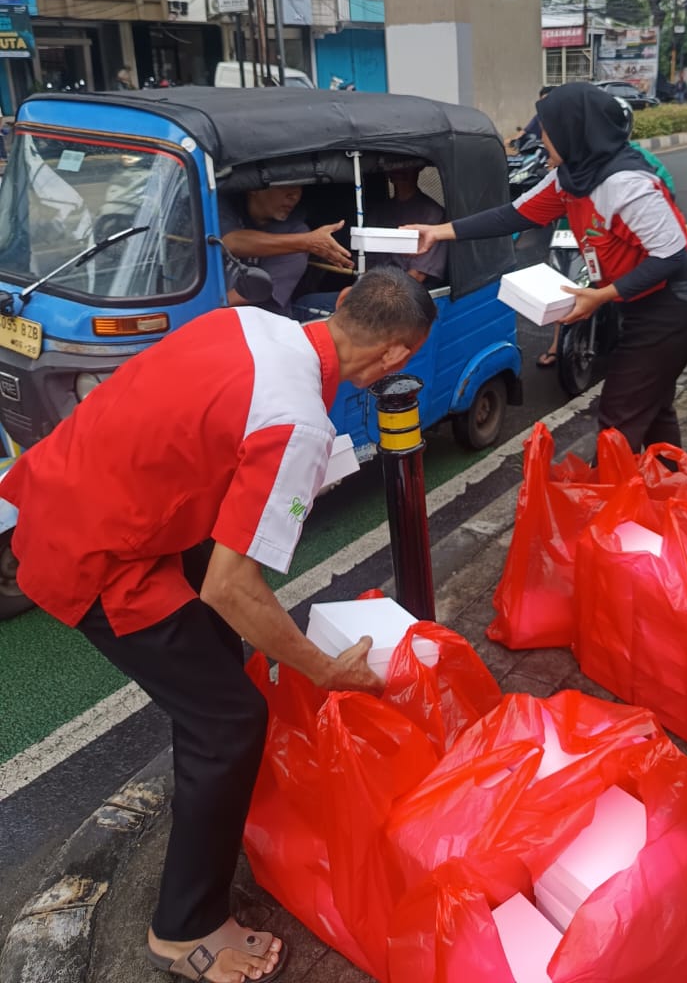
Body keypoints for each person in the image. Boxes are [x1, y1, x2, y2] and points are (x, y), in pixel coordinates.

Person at [0, 268, 436, 982]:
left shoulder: (249, 323)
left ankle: (225, 803)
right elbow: (231, 585)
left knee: (223, 681)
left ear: (343, 304)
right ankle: (183, 930)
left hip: (76, 492)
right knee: (229, 719)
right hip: (100, 555)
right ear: (396, 358)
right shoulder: (296, 419)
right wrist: (324, 669)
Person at [404, 82, 687, 452]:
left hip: (677, 304)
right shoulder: (570, 176)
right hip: (638, 299)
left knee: (619, 416)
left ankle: (613, 500)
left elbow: (670, 256)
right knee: (652, 406)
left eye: (547, 130)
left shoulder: (627, 184)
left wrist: (601, 296)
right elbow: (513, 216)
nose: (541, 138)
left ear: (574, 132)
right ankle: (666, 490)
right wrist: (438, 232)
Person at [537, 98, 676, 370]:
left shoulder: (637, 163)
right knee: (564, 284)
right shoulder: (567, 157)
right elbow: (526, 207)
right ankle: (557, 342)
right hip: (569, 235)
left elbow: (666, 200)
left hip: (608, 243)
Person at [218, 184, 354, 319]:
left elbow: (250, 293)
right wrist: (306, 242)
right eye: (283, 186)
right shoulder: (222, 208)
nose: (294, 195)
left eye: (298, 187)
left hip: (262, 323)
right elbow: (230, 241)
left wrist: (210, 308)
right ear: (254, 188)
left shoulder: (298, 232)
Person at [365, 164, 447, 287]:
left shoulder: (433, 214)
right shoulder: (378, 212)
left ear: (418, 168)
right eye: (394, 165)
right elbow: (366, 264)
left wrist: (384, 296)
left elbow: (418, 275)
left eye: (406, 165)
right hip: (373, 288)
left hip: (410, 295)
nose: (399, 170)